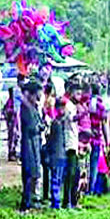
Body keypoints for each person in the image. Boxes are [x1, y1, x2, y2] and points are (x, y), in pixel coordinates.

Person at [19, 81, 43, 211]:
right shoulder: (25, 108)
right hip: (28, 145)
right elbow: (33, 127)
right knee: (28, 174)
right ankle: (26, 203)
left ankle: (31, 199)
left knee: (34, 174)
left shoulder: (34, 107)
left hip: (35, 143)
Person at [88, 84, 108, 195]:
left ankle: (87, 188)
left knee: (87, 164)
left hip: (85, 138)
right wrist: (107, 139)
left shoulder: (87, 103)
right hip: (96, 138)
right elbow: (104, 123)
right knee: (94, 164)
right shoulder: (100, 105)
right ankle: (92, 187)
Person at [48, 99, 67, 209]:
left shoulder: (62, 122)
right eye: (60, 107)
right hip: (56, 154)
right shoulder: (56, 123)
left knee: (58, 179)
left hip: (62, 154)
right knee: (55, 179)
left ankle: (57, 201)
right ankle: (56, 202)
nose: (62, 110)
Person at [63, 85, 80, 208]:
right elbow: (71, 119)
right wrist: (83, 114)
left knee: (76, 174)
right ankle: (67, 201)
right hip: (70, 144)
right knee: (71, 174)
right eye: (77, 94)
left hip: (75, 143)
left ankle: (73, 200)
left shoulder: (74, 106)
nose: (79, 96)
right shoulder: (68, 106)